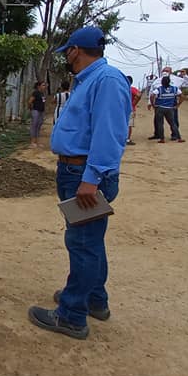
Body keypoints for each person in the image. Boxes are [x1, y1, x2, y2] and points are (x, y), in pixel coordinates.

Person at [28, 26, 131, 340]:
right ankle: (94, 299)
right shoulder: (90, 81)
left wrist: (91, 179)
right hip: (76, 171)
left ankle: (72, 315)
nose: (67, 58)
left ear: (75, 50)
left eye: (68, 52)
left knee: (83, 243)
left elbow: (109, 134)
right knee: (90, 240)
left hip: (84, 174)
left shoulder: (106, 80)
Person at [147, 67, 188, 139]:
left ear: (171, 72)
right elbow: (151, 92)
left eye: (167, 70)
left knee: (173, 120)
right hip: (159, 103)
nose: (165, 72)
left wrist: (185, 75)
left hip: (171, 103)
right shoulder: (157, 81)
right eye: (164, 70)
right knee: (158, 121)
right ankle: (158, 134)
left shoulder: (177, 79)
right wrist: (150, 103)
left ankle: (174, 135)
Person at [148, 75, 184, 143]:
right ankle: (179, 138)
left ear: (162, 82)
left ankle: (162, 139)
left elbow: (152, 95)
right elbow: (182, 96)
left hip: (160, 108)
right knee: (173, 123)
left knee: (160, 123)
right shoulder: (174, 89)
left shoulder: (159, 89)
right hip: (170, 108)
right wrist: (178, 105)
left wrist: (153, 105)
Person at [28, 81, 47, 147]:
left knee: (39, 126)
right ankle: (32, 141)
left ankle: (37, 141)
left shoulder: (42, 93)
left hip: (41, 111)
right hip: (36, 110)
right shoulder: (35, 93)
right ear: (39, 86)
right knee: (34, 125)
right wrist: (31, 108)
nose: (45, 86)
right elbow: (30, 101)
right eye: (43, 85)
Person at [126, 76, 141, 145]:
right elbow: (138, 95)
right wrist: (134, 104)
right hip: (130, 108)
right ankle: (127, 139)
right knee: (129, 125)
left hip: (121, 109)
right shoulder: (132, 89)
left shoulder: (121, 88)